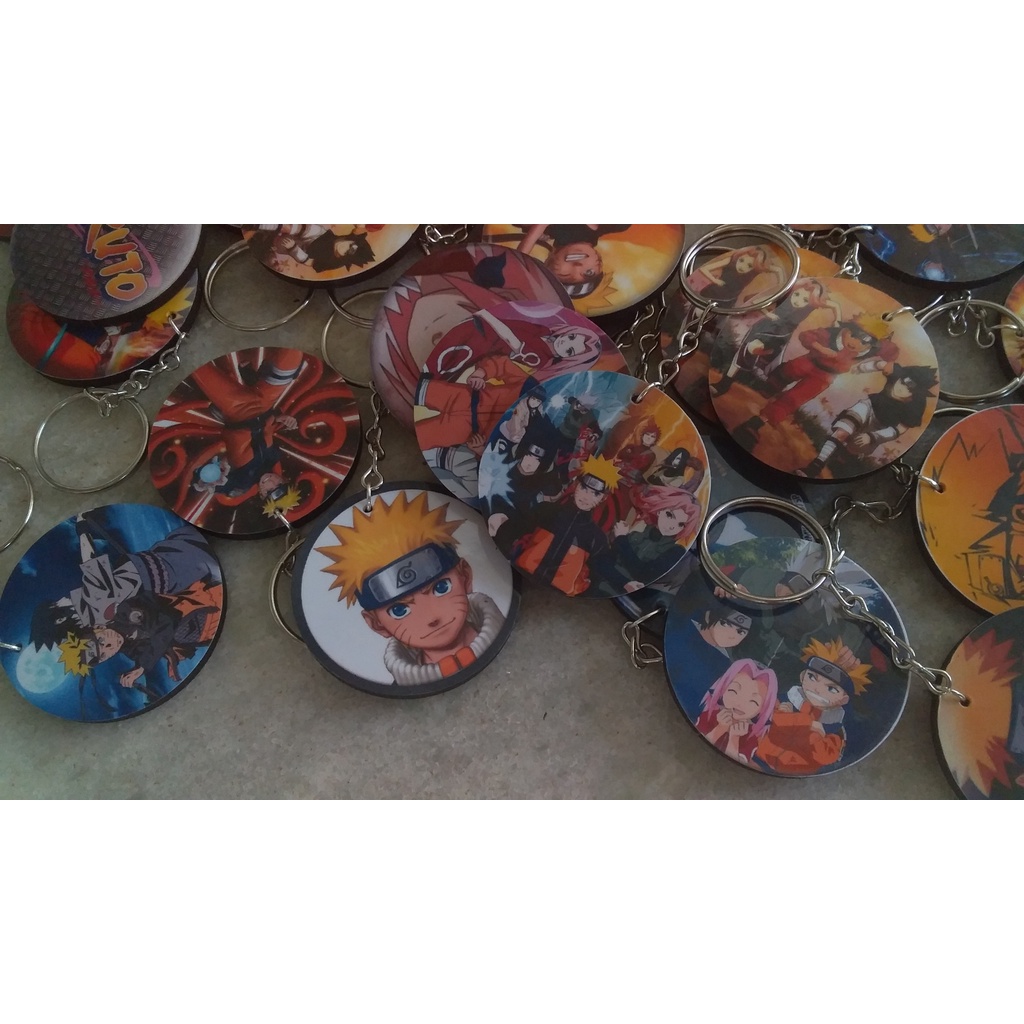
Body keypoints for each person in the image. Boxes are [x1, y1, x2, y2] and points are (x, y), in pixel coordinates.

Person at [316, 491, 506, 685]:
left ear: (465, 576)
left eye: (441, 588)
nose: (431, 618)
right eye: (399, 610)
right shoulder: (399, 684)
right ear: (377, 624)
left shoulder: (503, 622)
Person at [731, 313, 898, 447]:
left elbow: (891, 350)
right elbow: (806, 336)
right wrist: (820, 348)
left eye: (865, 341)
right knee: (791, 369)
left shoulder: (870, 350)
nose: (857, 342)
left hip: (825, 377)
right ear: (847, 329)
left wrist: (890, 362)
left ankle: (757, 423)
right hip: (810, 360)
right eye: (854, 335)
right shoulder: (831, 334)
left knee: (795, 398)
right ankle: (771, 386)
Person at [188, 348, 305, 517]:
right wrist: (281, 418)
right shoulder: (274, 456)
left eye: (268, 491)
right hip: (264, 403)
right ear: (283, 479)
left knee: (196, 362)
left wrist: (207, 478)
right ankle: (251, 378)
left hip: (238, 409)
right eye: (278, 485)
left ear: (261, 494)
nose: (270, 483)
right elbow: (266, 429)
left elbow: (205, 483)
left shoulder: (242, 483)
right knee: (291, 360)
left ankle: (250, 378)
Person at [489, 456, 619, 596]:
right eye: (584, 487)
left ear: (603, 498)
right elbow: (511, 530)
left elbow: (600, 576)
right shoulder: (546, 510)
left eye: (596, 493)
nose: (586, 497)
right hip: (516, 580)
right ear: (576, 484)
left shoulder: (597, 538)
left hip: (556, 599)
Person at [755, 639, 871, 774]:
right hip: (756, 757)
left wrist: (815, 734)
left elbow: (826, 757)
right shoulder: (783, 699)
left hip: (792, 775)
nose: (817, 689)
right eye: (812, 677)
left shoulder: (836, 729)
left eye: (831, 689)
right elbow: (759, 716)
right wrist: (788, 717)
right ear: (802, 676)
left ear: (843, 700)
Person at [800, 364, 938, 476]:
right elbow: (881, 364)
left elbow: (900, 429)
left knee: (854, 447)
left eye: (909, 390)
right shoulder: (896, 372)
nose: (901, 389)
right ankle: (816, 465)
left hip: (880, 428)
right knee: (844, 429)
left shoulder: (917, 405)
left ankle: (841, 458)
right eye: (902, 383)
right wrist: (861, 368)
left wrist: (872, 437)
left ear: (915, 395)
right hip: (868, 406)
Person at [695, 659, 779, 765]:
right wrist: (720, 728)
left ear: (762, 710)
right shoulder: (709, 716)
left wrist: (734, 738)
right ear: (723, 689)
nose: (740, 703)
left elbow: (734, 765)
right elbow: (696, 745)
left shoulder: (751, 737)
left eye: (753, 701)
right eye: (733, 691)